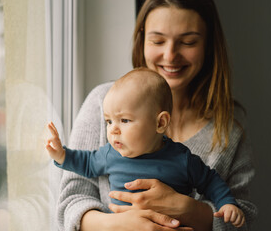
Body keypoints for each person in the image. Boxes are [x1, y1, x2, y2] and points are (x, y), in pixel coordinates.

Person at [56, 0, 257, 230]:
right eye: (158, 41)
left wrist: (189, 210)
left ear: (208, 44)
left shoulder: (227, 132)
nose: (170, 55)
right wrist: (116, 225)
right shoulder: (104, 103)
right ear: (142, 40)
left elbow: (244, 221)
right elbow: (69, 203)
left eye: (188, 42)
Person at [46, 69, 245, 228]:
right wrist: (62, 154)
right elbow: (86, 163)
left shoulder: (182, 159)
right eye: (108, 121)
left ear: (160, 123)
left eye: (124, 120)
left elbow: (210, 181)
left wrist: (227, 203)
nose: (113, 129)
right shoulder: (110, 154)